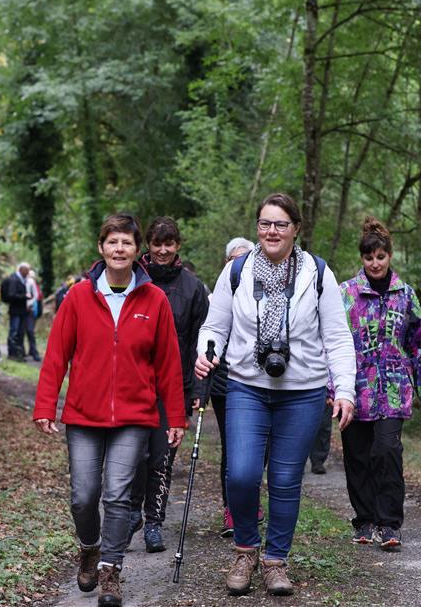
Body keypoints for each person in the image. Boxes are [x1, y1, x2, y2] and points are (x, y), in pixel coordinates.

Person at [195, 194, 356, 597]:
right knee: (243, 473)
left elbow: (337, 338)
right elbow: (215, 325)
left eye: (281, 224)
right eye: (265, 223)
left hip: (302, 393)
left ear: (296, 229)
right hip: (247, 386)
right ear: (257, 227)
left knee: (285, 479)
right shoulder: (236, 272)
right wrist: (206, 353)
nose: (271, 231)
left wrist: (346, 390)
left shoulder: (317, 274)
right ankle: (245, 551)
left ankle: (275, 562)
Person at [33, 213, 186, 607]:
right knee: (84, 497)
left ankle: (110, 571)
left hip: (134, 418)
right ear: (101, 248)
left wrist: (176, 417)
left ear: (139, 252)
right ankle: (89, 547)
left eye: (127, 243)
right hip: (84, 415)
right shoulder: (79, 297)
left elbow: (169, 362)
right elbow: (56, 356)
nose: (120, 249)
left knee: (119, 496)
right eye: (113, 242)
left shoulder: (154, 301)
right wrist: (45, 405)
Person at [334, 216, 421, 550]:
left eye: (380, 257)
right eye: (369, 258)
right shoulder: (346, 293)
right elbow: (332, 341)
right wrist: (331, 388)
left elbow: (420, 342)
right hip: (355, 389)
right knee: (357, 455)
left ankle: (390, 524)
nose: (375, 263)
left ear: (389, 256)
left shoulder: (404, 294)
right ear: (362, 258)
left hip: (394, 390)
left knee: (387, 452)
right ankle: (365, 521)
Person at [128, 217, 209, 553]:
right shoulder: (132, 279)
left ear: (178, 245)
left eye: (169, 244)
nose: (163, 250)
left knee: (162, 457)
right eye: (157, 244)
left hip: (173, 385)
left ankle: (154, 522)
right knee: (132, 453)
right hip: (133, 381)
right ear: (148, 244)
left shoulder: (192, 288)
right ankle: (131, 511)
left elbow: (200, 345)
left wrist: (197, 391)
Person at [204, 236, 264, 538]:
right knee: (234, 447)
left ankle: (249, 500)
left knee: (259, 449)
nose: (239, 262)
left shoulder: (261, 293)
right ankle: (233, 508)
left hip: (258, 382)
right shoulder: (216, 297)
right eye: (234, 258)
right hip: (224, 383)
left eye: (245, 256)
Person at [0, 262, 31, 361]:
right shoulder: (14, 279)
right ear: (21, 269)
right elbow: (11, 295)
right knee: (14, 332)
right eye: (26, 270)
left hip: (21, 311)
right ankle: (12, 354)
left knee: (20, 333)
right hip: (15, 311)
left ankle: (18, 354)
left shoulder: (21, 280)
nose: (28, 272)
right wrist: (24, 297)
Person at [24, 270, 42, 361]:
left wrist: (29, 305)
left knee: (30, 331)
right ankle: (29, 351)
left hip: (31, 310)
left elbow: (36, 297)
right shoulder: (25, 282)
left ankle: (34, 352)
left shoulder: (32, 284)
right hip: (26, 311)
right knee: (27, 331)